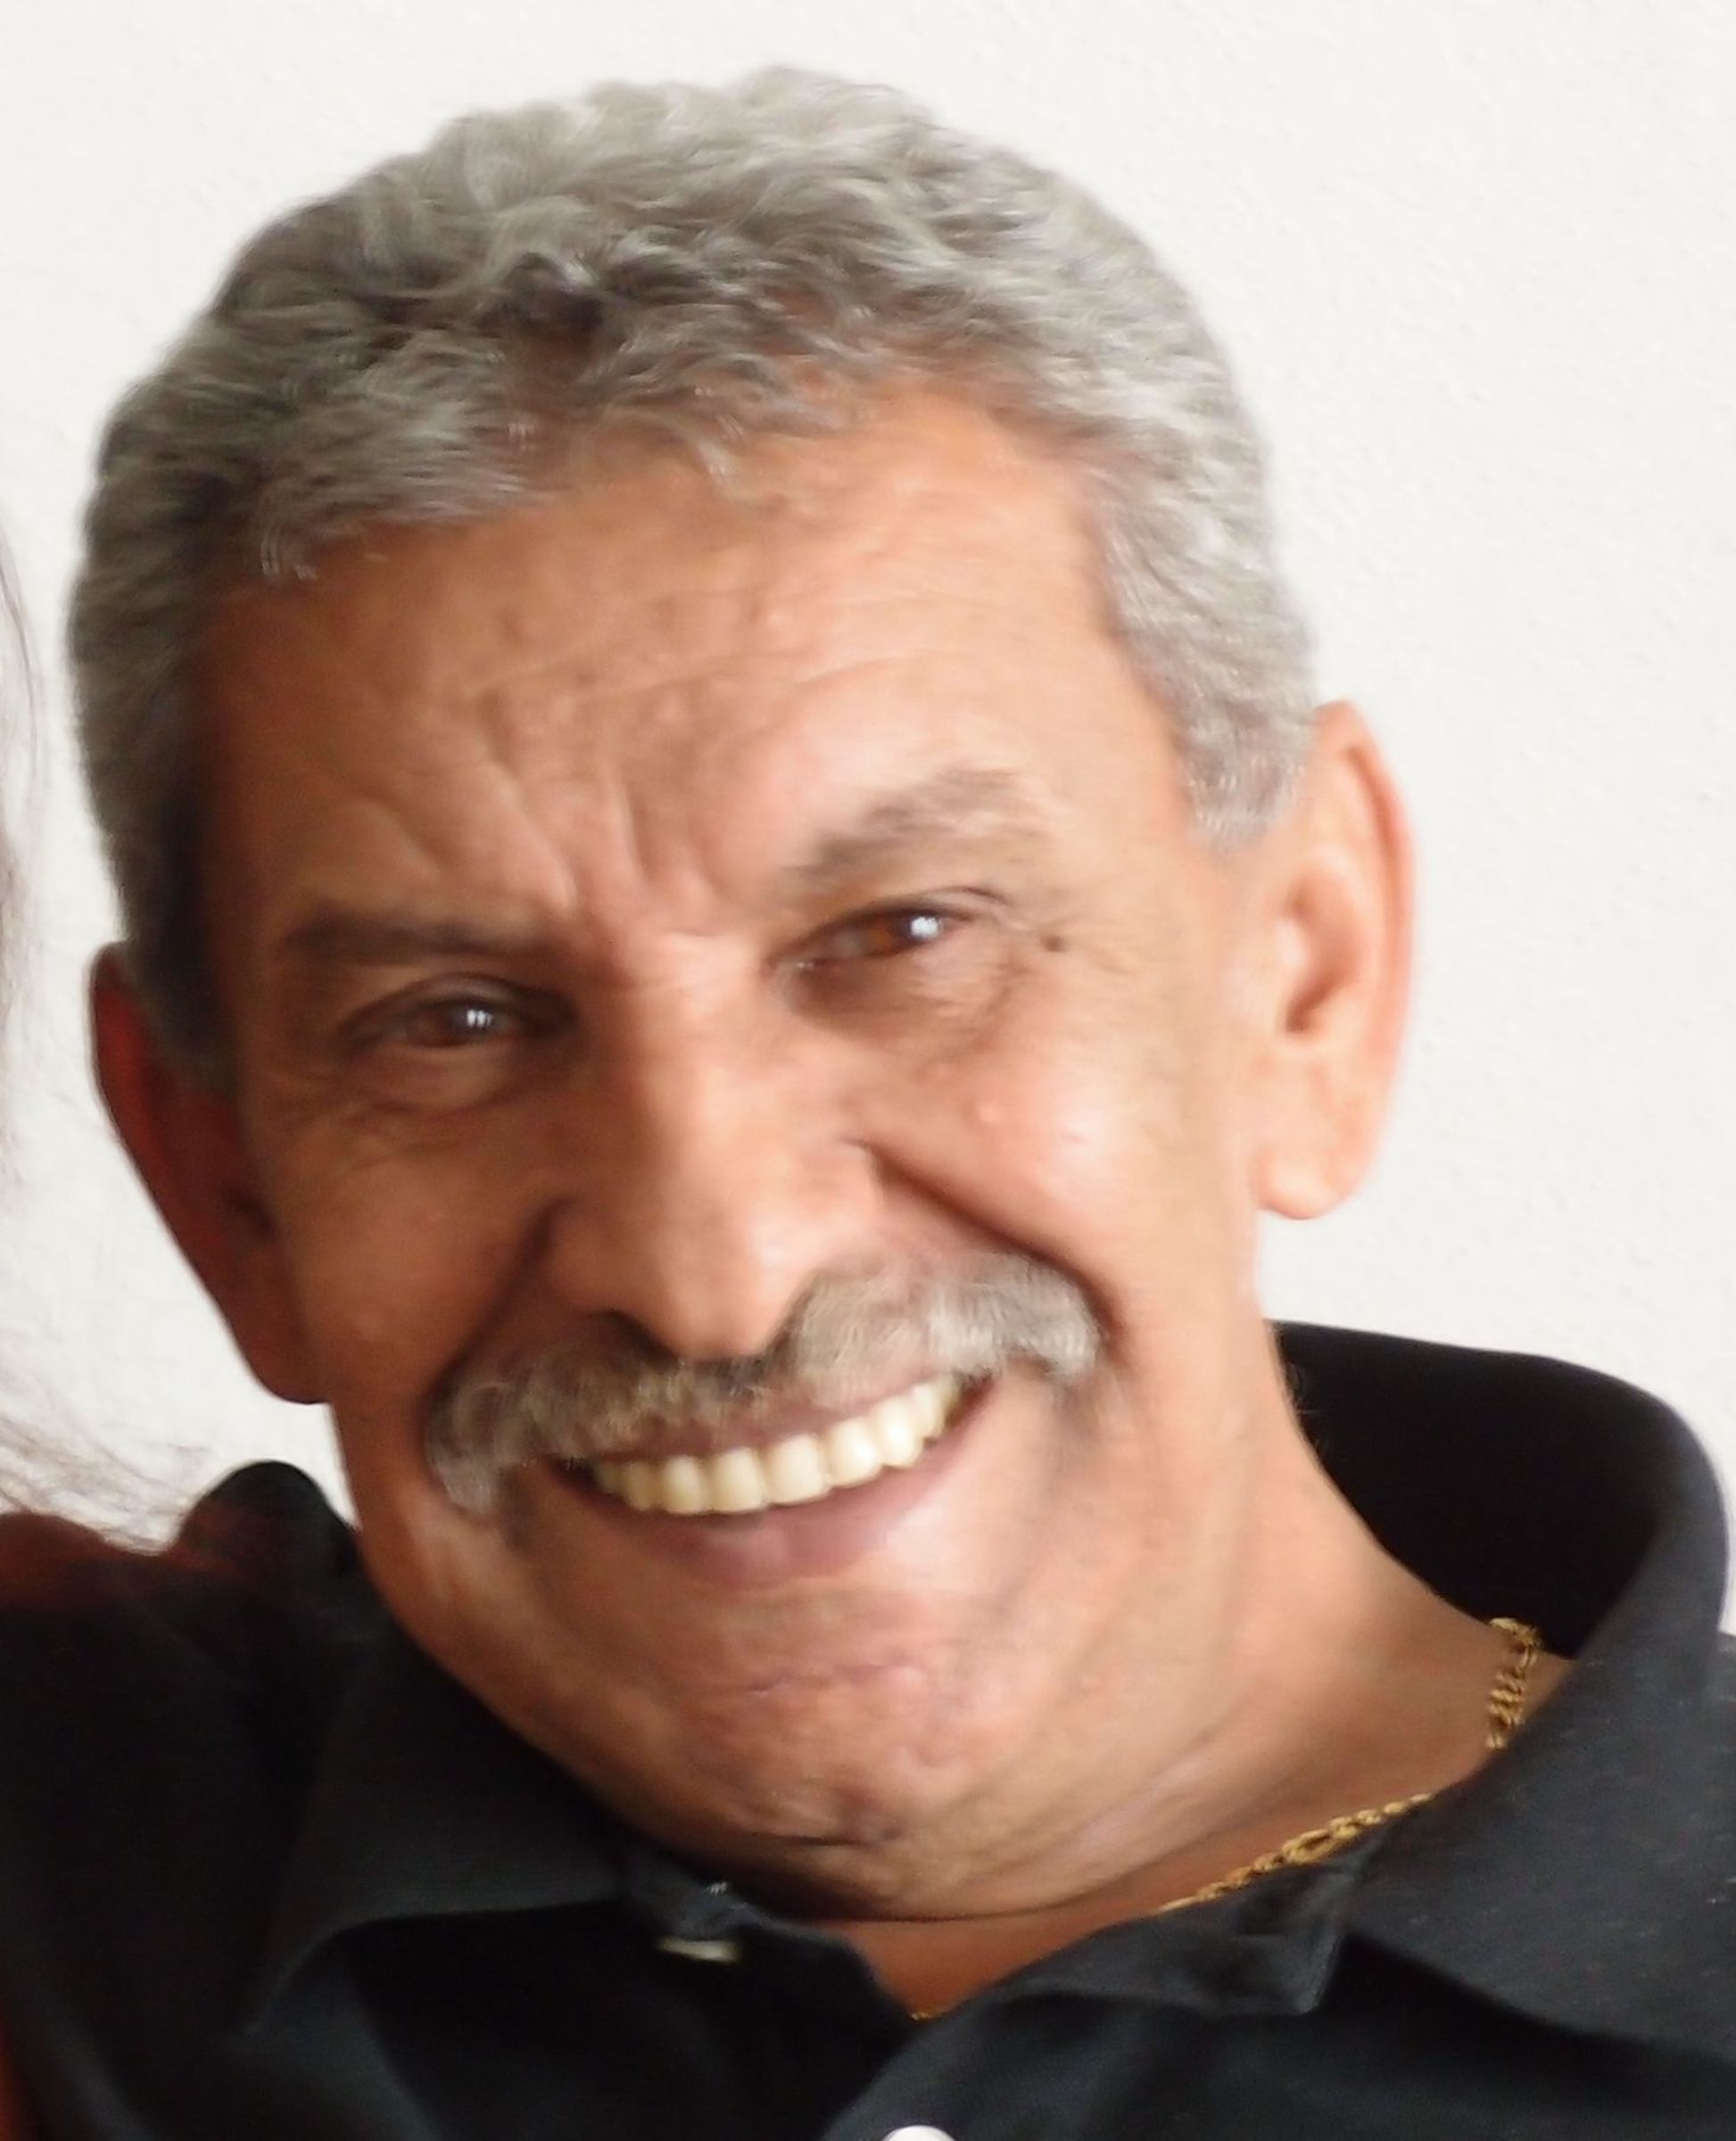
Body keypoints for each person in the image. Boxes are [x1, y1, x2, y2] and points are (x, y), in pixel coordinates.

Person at [1, 69, 1731, 2139]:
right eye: (452, 1023)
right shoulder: (68, 1852)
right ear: (219, 1183)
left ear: (1305, 973)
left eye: (903, 936)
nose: (713, 1273)